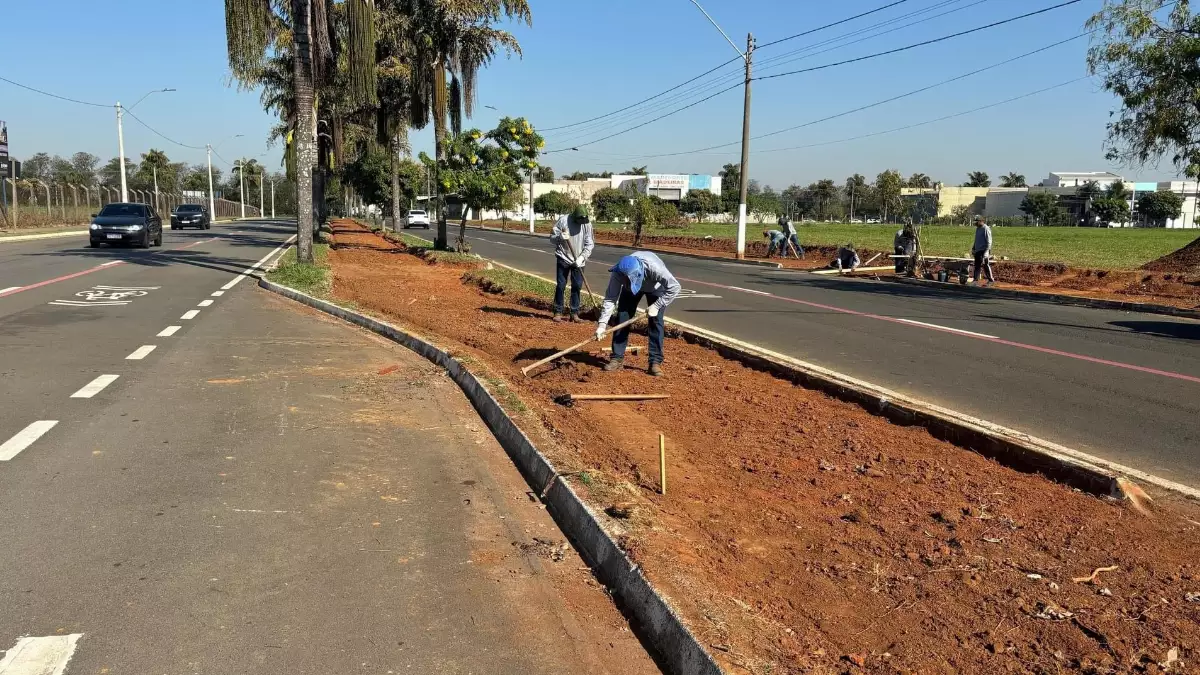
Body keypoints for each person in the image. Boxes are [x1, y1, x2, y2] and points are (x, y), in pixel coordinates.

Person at [595, 251, 681, 377]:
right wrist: (602, 325)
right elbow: (610, 298)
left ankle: (655, 362)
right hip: (631, 290)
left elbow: (675, 287)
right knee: (623, 317)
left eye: (627, 280)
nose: (624, 281)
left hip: (655, 288)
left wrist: (657, 305)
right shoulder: (618, 272)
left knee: (656, 321)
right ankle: (617, 358)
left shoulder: (655, 269)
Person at [550, 204, 595, 321]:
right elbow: (551, 239)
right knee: (561, 285)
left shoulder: (587, 224)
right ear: (574, 217)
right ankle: (558, 312)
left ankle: (574, 313)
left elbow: (589, 244)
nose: (581, 223)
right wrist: (560, 237)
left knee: (577, 286)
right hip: (563, 257)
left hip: (579, 260)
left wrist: (582, 257)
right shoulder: (563, 220)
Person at [971, 215, 995, 285]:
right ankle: (975, 280)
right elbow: (976, 239)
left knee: (985, 264)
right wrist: (973, 248)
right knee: (977, 265)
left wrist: (987, 251)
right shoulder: (978, 228)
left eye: (976, 222)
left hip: (984, 250)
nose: (975, 223)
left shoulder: (986, 228)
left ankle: (991, 280)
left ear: (981, 221)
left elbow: (989, 241)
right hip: (978, 250)